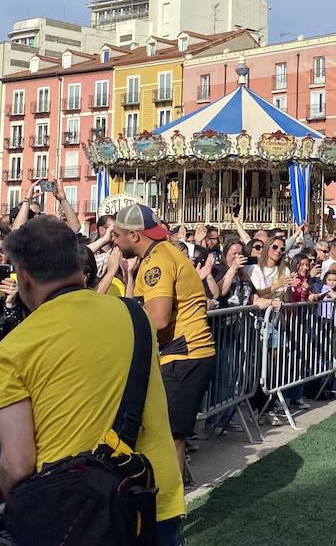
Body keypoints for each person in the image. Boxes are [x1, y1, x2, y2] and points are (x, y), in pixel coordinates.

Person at [0, 216, 186, 543]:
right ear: (77, 262)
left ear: (23, 276)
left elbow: (17, 463)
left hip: (73, 510)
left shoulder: (15, 348)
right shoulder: (135, 316)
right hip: (150, 496)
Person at [110, 204, 214, 483]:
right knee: (167, 434)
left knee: (170, 437)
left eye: (117, 234)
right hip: (185, 352)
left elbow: (157, 319)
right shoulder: (163, 253)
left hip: (182, 354)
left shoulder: (156, 260)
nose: (114, 241)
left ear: (134, 236)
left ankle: (170, 513)